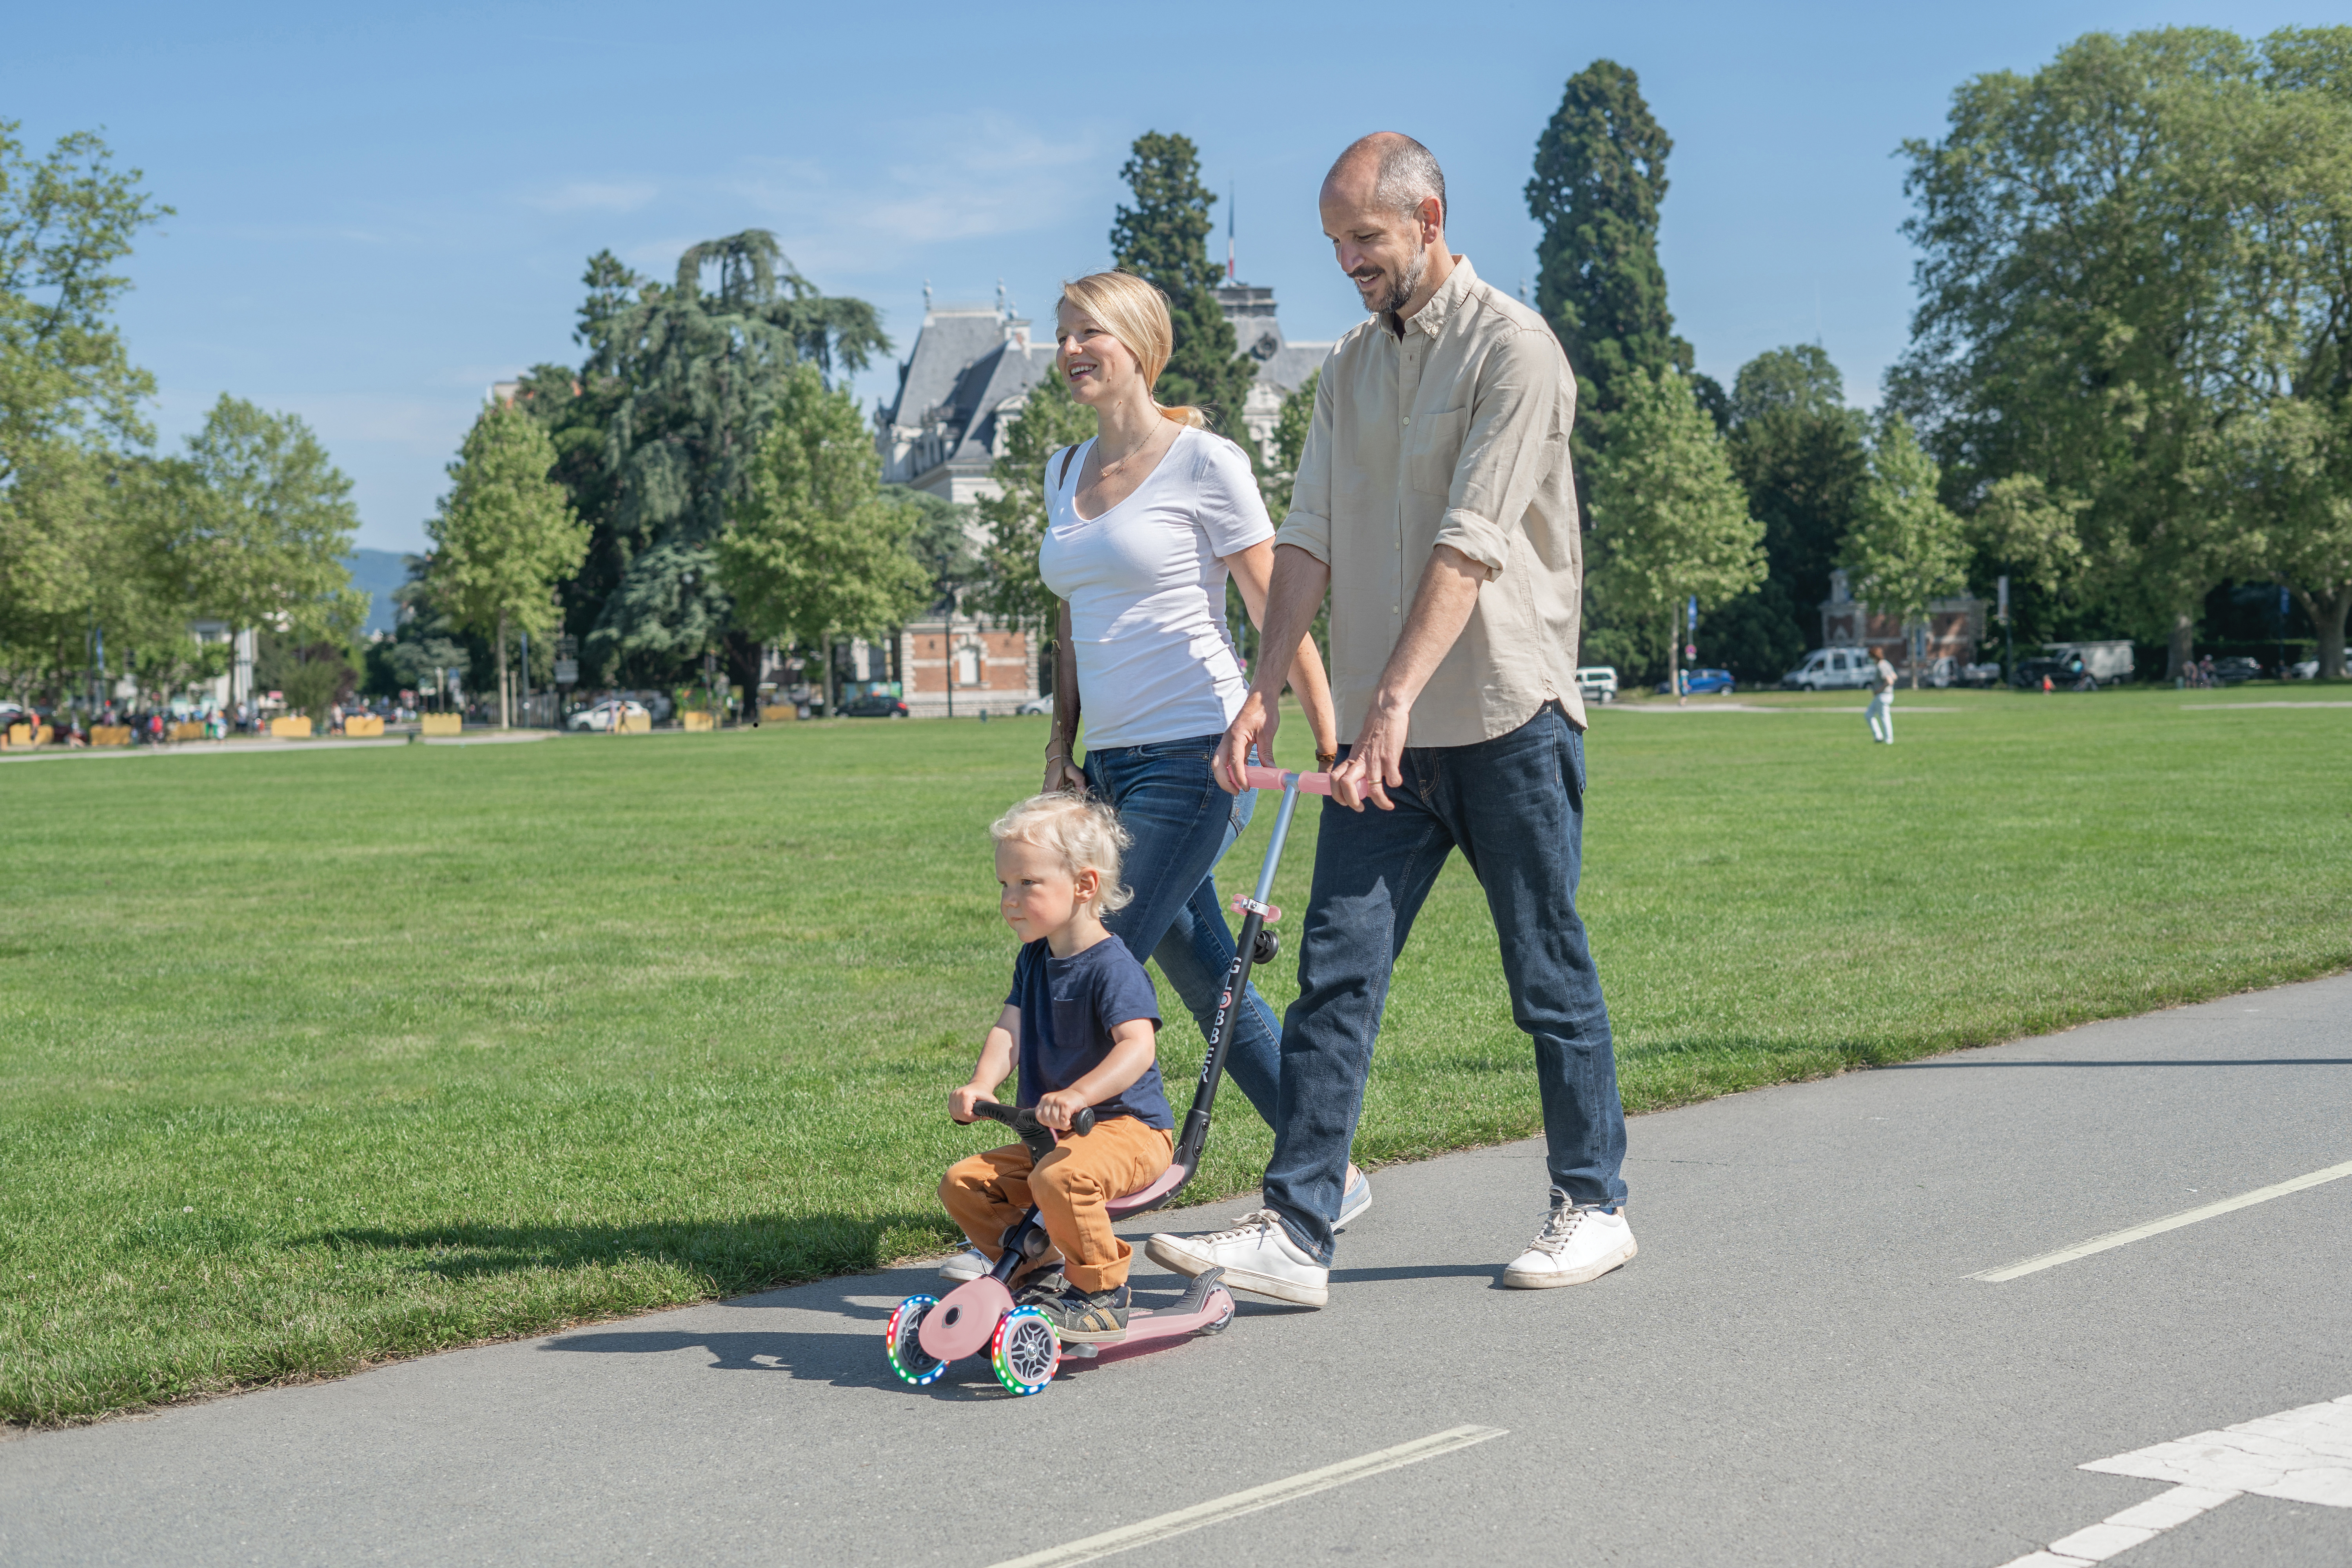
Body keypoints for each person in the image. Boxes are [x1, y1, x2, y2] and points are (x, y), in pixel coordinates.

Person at [1147, 132, 1633, 1307]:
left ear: (1428, 219)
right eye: (1334, 242)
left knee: (1545, 968)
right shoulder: (1351, 369)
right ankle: (1296, 1228)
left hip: (1505, 716)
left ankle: (1593, 1203)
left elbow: (1470, 543)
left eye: (1364, 238)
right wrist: (1262, 689)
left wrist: (1392, 703)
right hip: (1384, 741)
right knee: (1335, 974)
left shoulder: (1513, 348)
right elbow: (1305, 539)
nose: (1348, 262)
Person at [940, 270, 1368, 1283]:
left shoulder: (1206, 462)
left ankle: (1044, 1217)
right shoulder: (1064, 470)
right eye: (1063, 335)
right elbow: (1074, 620)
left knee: (1086, 960)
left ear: (1140, 342)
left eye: (1088, 332)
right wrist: (1061, 742)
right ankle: (1330, 1167)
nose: (1069, 351)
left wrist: (1330, 735)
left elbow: (1276, 608)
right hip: (1110, 764)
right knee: (1208, 977)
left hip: (1200, 752)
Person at [938, 793, 1173, 1343]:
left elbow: (1138, 1047)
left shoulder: (1113, 968)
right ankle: (1035, 1272)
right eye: (1004, 885)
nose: (1010, 900)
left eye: (1028, 884)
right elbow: (1009, 1030)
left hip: (1129, 1130)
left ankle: (1102, 1294)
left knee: (1059, 1179)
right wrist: (982, 1083)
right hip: (1056, 1135)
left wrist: (1079, 1094)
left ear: (1084, 886)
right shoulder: (1036, 958)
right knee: (964, 1184)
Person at [1866, 649, 1896, 743]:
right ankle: (1878, 736)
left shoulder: (1881, 666)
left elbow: (1889, 681)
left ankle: (1889, 740)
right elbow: (1894, 676)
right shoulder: (1887, 664)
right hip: (1886, 695)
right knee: (1869, 714)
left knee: (1884, 717)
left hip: (1883, 696)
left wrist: (1878, 690)